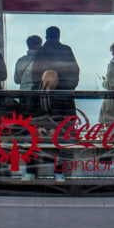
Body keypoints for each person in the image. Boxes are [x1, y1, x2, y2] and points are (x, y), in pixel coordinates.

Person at [27, 26, 80, 182]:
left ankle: (31, 172)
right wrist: (68, 87)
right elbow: (75, 72)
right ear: (58, 35)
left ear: (46, 36)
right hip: (63, 103)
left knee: (35, 137)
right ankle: (61, 172)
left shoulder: (40, 53)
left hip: (44, 114)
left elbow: (33, 74)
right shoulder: (66, 50)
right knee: (64, 139)